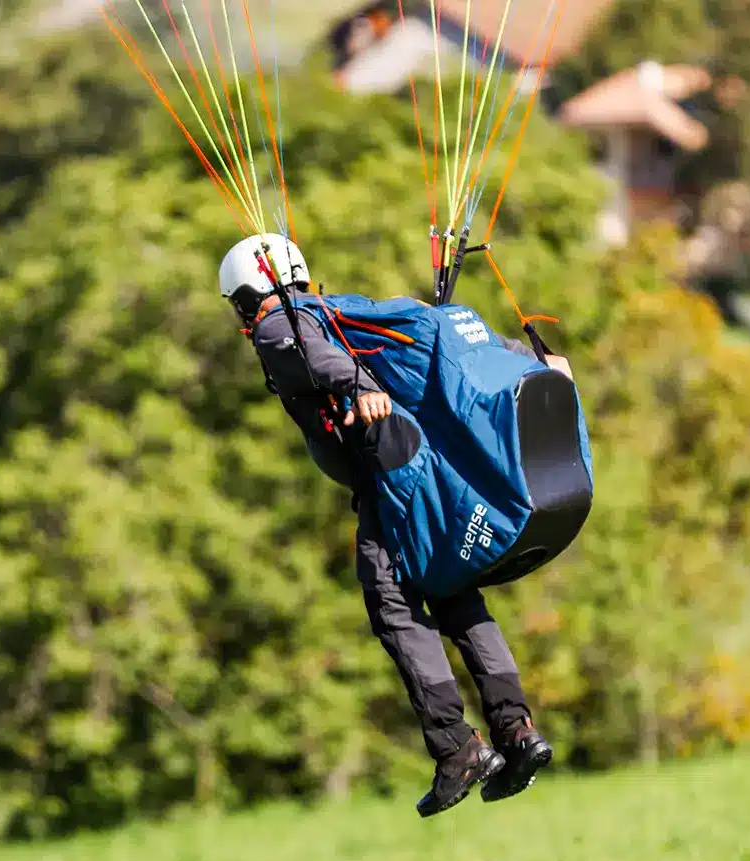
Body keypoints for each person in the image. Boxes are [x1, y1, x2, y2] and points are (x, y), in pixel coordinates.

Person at [218, 232, 560, 818]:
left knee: (391, 605)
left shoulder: (281, 324)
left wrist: (357, 387)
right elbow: (447, 341)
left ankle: (458, 748)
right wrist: (536, 362)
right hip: (418, 460)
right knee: (450, 592)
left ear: (247, 293)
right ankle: (517, 732)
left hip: (388, 470)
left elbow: (320, 363)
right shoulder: (338, 311)